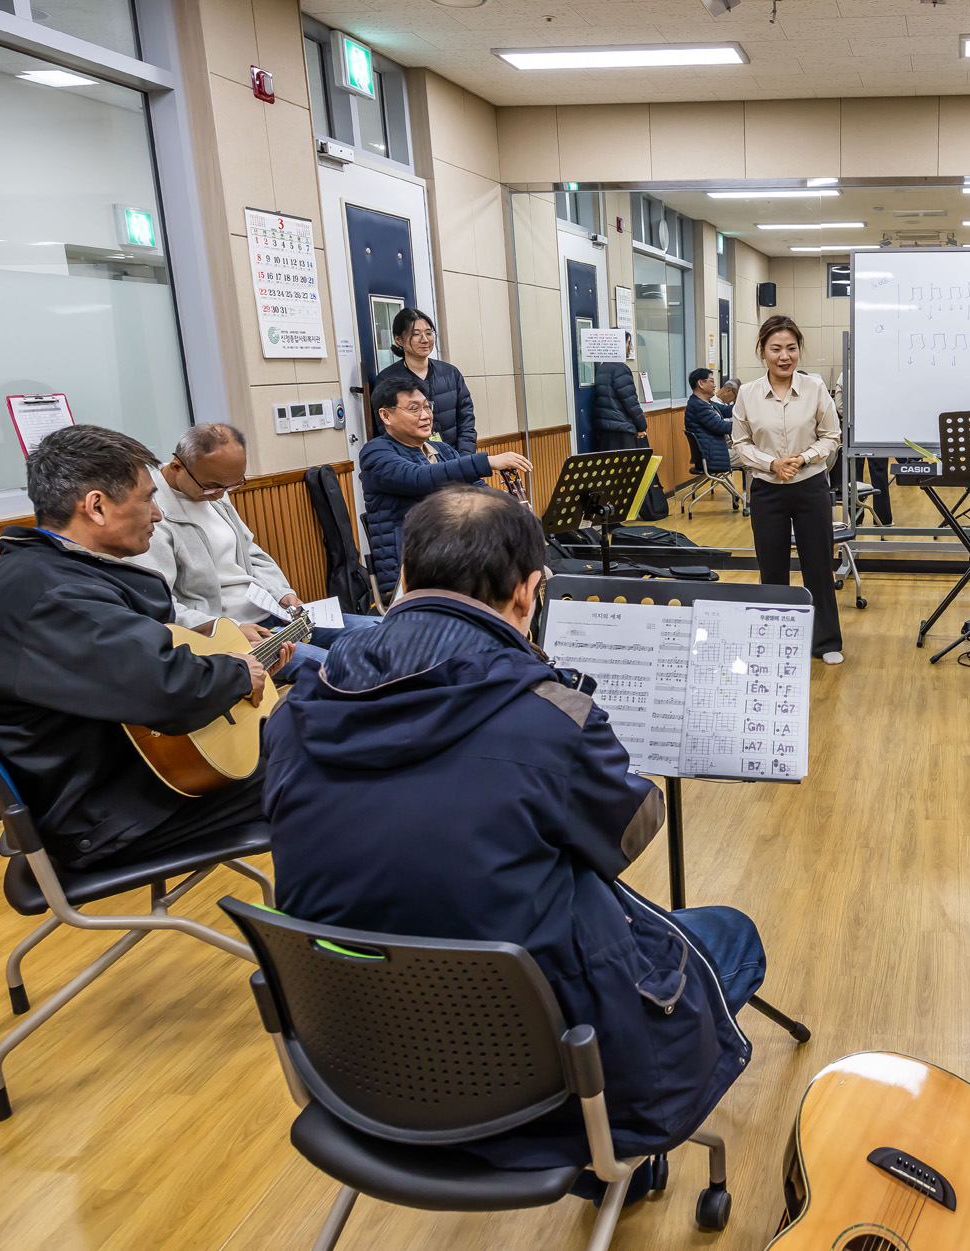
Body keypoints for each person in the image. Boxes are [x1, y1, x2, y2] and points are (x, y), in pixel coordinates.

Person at [265, 486, 761, 1188]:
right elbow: (623, 839)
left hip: (360, 1065)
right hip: (537, 1081)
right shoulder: (550, 716)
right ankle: (606, 1146)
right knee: (732, 936)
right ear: (528, 594)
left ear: (403, 577)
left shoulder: (292, 716)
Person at [0, 426, 285, 869]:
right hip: (103, 817)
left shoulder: (49, 572)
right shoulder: (57, 598)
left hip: (115, 778)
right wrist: (235, 674)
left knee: (293, 736)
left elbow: (140, 661)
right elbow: (167, 688)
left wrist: (221, 663)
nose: (157, 514)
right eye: (147, 499)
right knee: (312, 767)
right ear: (96, 507)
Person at [130, 424, 379, 678]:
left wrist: (283, 594)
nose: (220, 496)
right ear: (177, 467)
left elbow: (251, 551)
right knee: (339, 670)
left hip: (273, 616)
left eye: (231, 486)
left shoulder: (216, 490)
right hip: (230, 637)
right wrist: (232, 628)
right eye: (213, 487)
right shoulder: (153, 518)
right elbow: (165, 609)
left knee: (381, 630)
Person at [732, 315, 846, 664]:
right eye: (776, 349)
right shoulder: (748, 394)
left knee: (818, 564)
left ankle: (825, 642)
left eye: (791, 348)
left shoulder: (814, 388)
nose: (785, 356)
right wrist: (771, 464)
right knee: (773, 567)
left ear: (799, 350)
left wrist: (803, 457)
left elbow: (832, 435)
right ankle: (777, 639)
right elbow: (740, 442)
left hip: (810, 485)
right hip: (767, 489)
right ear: (762, 351)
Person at [359, 375, 529, 598]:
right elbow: (420, 479)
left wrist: (510, 507)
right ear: (386, 415)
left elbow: (478, 491)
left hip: (454, 561)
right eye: (414, 409)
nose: (425, 415)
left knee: (529, 576)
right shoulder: (376, 453)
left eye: (426, 406)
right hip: (411, 574)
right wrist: (486, 461)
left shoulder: (443, 450)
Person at [372, 308, 476, 453]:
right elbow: (388, 430)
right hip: (415, 466)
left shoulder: (451, 373)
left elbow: (466, 421)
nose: (425, 339)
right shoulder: (387, 380)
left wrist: (465, 461)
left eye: (428, 333)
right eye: (416, 334)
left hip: (455, 460)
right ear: (398, 339)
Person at [590, 350, 647, 452]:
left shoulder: (602, 368)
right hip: (622, 431)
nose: (630, 348)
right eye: (628, 342)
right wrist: (642, 426)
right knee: (628, 466)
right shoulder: (620, 369)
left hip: (605, 431)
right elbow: (631, 402)